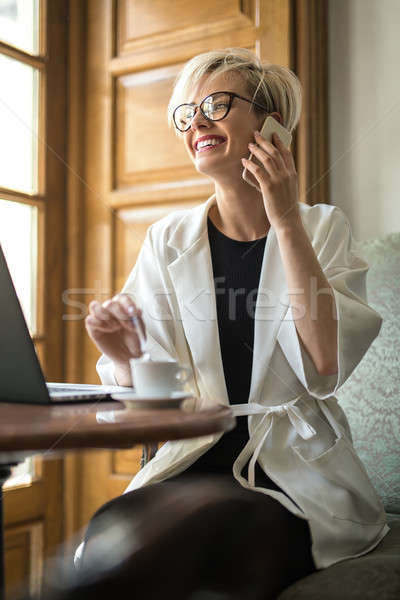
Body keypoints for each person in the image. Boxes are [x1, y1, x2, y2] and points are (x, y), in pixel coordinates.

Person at [80, 48, 390, 597]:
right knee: (111, 534)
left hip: (295, 473)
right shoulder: (166, 240)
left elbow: (326, 364)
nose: (195, 121)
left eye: (215, 104)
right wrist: (126, 355)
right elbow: (159, 404)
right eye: (186, 113)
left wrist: (285, 216)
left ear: (270, 122)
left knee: (222, 539)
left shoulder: (322, 227)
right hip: (194, 458)